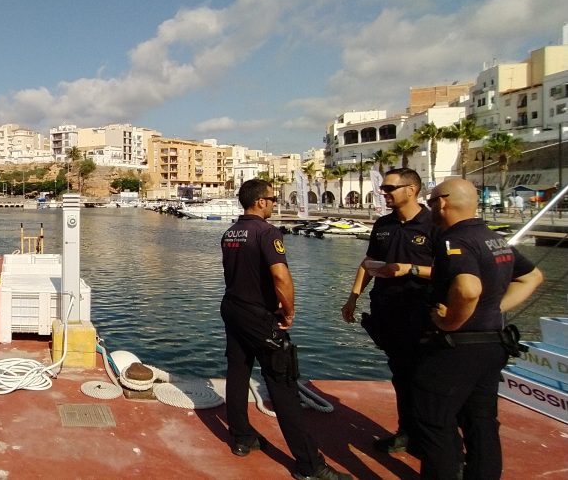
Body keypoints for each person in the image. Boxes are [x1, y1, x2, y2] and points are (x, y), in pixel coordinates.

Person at [220, 179, 351, 480]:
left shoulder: (231, 232)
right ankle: (309, 464)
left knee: (238, 372)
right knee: (283, 385)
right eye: (272, 198)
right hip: (260, 316)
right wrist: (289, 311)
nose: (274, 203)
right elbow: (280, 276)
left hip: (233, 309)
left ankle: (241, 437)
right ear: (260, 201)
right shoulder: (267, 232)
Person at [414, 178, 543, 480]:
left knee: (433, 420)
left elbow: (468, 289)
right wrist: (493, 307)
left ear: (442, 203)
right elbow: (532, 277)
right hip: (493, 344)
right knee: (481, 421)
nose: (430, 209)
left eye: (430, 202)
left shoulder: (453, 241)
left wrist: (450, 321)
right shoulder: (495, 239)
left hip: (458, 348)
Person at [340, 167, 438, 454]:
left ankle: (434, 442)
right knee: (400, 375)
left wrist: (411, 269)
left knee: (426, 380)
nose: (384, 193)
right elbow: (368, 263)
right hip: (388, 313)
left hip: (423, 314)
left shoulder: (434, 225)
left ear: (411, 189)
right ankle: (406, 432)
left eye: (390, 188)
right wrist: (353, 298)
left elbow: (451, 271)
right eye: (383, 188)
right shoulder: (383, 225)